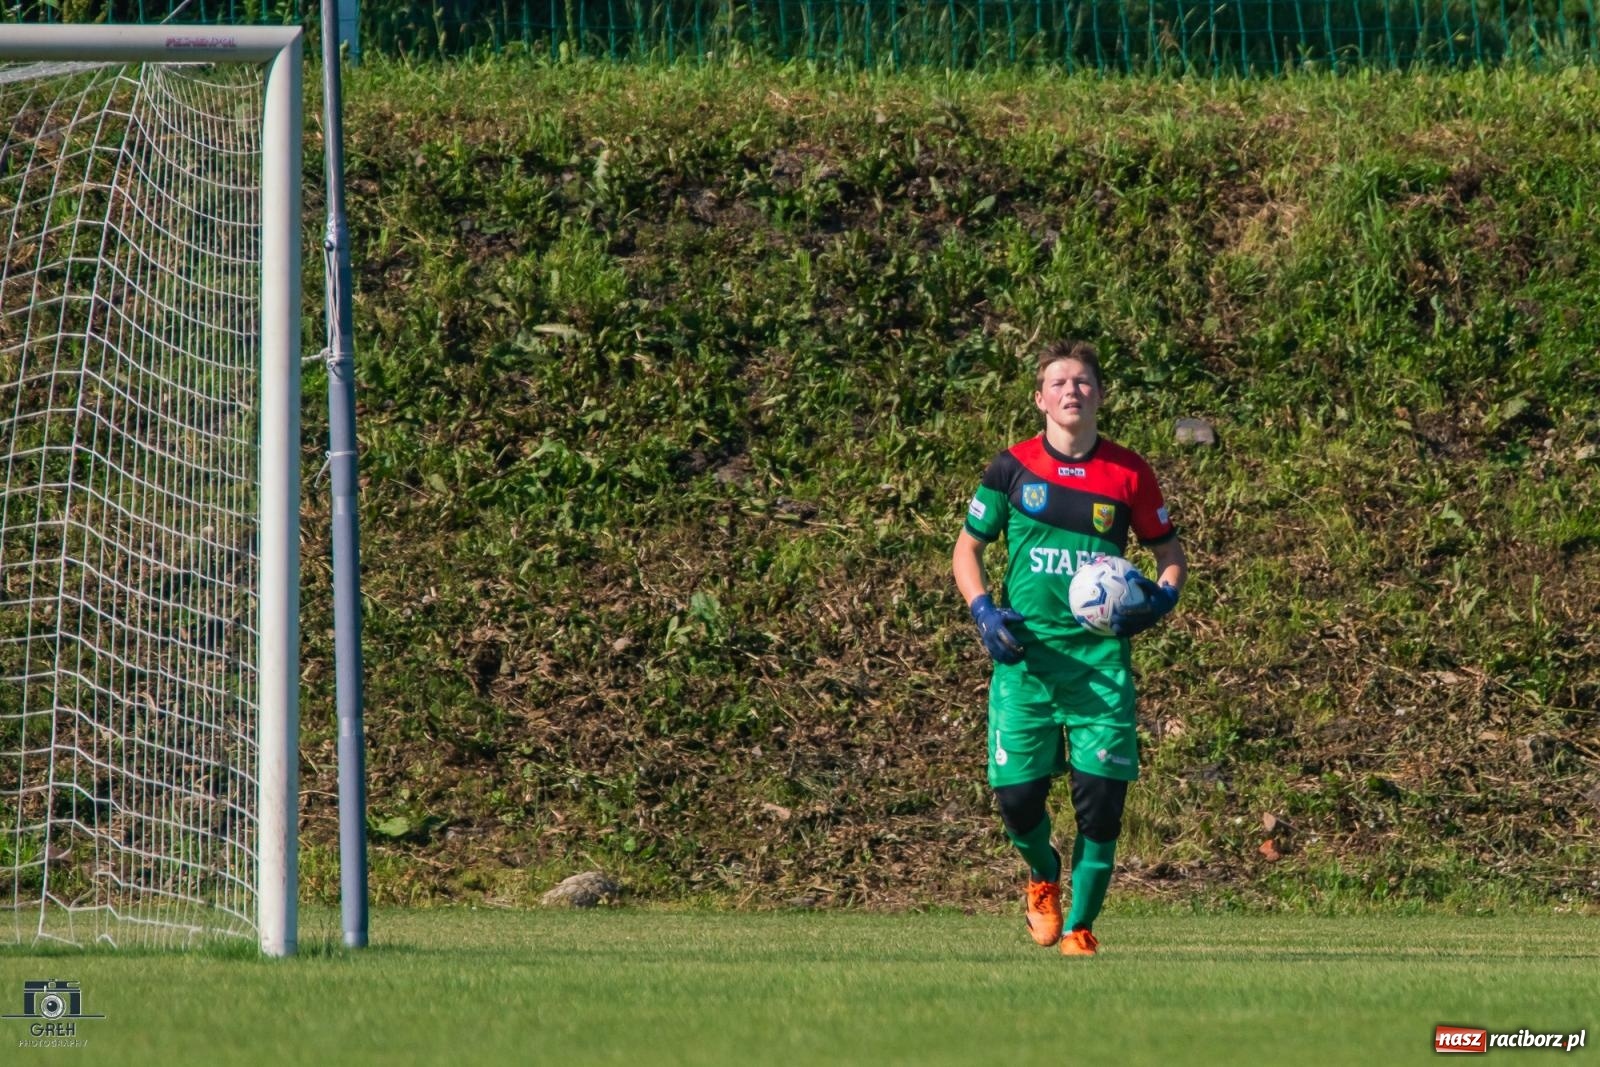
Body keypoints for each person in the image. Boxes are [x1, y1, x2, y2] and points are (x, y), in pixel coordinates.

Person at [952, 340, 1188, 957]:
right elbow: (966, 549)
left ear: (1100, 395)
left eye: (1083, 382)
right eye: (1058, 382)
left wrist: (1161, 600)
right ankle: (1041, 874)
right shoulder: (1011, 469)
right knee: (1016, 800)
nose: (1071, 391)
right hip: (1025, 662)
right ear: (1040, 398)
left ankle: (1080, 928)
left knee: (1102, 807)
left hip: (1099, 670)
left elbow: (1169, 555)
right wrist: (982, 610)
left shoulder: (1129, 473)